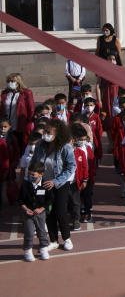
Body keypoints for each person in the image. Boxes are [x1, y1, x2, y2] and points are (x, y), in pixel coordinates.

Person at [30, 119, 76, 251]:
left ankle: (67, 238)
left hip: (60, 183)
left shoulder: (65, 147)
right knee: (49, 212)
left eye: (48, 132)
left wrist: (56, 181)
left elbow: (71, 166)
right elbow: (34, 163)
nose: (45, 134)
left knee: (60, 211)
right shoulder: (40, 145)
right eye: (45, 131)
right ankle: (54, 240)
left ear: (58, 133)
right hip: (44, 183)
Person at [19, 161, 52, 262]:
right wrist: (26, 209)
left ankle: (43, 248)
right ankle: (28, 250)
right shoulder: (25, 185)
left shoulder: (46, 185)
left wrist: (41, 209)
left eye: (33, 174)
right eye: (29, 174)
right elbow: (20, 200)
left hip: (40, 214)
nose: (30, 176)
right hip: (28, 214)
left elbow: (49, 200)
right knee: (29, 232)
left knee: (42, 231)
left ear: (41, 174)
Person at [3, 73, 36, 151]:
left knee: (21, 144)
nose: (10, 83)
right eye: (8, 81)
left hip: (20, 123)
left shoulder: (26, 93)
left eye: (12, 81)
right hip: (7, 123)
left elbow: (31, 109)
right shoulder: (5, 94)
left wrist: (28, 122)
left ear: (18, 82)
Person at [95, 23, 122, 114]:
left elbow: (119, 53)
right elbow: (97, 51)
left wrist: (120, 65)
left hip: (114, 64)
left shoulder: (115, 39)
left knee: (114, 86)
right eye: (104, 30)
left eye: (107, 30)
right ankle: (102, 103)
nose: (105, 32)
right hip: (103, 66)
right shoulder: (100, 39)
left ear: (111, 30)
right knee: (103, 85)